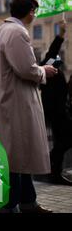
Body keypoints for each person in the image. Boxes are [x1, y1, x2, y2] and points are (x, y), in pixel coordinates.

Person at [0, 0, 56, 213]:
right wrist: (44, 70)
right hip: (17, 103)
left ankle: (28, 201)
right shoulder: (17, 32)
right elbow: (26, 69)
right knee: (17, 156)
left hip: (8, 100)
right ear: (31, 11)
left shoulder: (2, 29)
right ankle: (11, 206)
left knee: (19, 154)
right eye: (35, 12)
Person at [39, 19, 72, 185]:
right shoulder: (46, 67)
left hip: (58, 109)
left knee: (61, 140)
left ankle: (55, 173)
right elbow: (53, 51)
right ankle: (51, 164)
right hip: (56, 110)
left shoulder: (55, 72)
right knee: (66, 139)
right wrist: (61, 34)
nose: (58, 61)